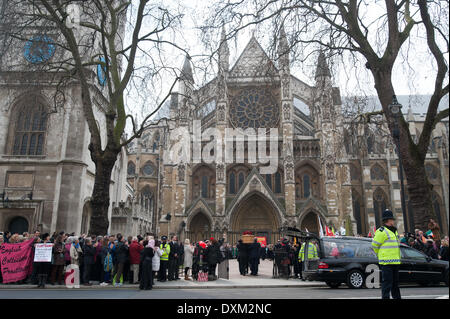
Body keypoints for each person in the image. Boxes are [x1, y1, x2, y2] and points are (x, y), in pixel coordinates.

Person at [372, 209, 401, 299]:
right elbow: (374, 245)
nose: (393, 221)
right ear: (388, 220)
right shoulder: (381, 231)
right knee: (387, 283)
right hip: (386, 262)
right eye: (392, 219)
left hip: (395, 261)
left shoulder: (394, 231)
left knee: (395, 284)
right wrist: (381, 255)